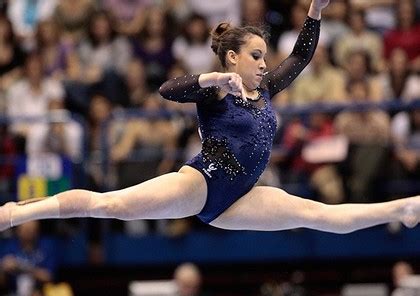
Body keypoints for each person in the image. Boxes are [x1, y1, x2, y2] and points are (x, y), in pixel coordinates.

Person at [1, 0, 420, 235]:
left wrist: (315, 11)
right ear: (234, 57)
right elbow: (167, 91)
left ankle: (403, 209)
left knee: (317, 215)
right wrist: (215, 78)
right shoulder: (215, 90)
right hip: (201, 184)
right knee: (109, 205)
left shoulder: (266, 88)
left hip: (241, 199)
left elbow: (300, 56)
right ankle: (15, 213)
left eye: (264, 56)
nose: (263, 63)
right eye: (256, 56)